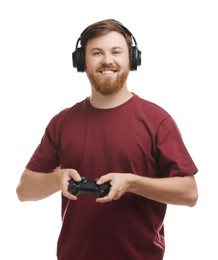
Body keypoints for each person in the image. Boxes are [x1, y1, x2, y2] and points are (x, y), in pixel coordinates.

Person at [16, 19, 198, 260]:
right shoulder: (62, 122)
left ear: (132, 59)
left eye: (116, 52)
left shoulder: (157, 120)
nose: (107, 60)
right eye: (96, 53)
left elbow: (189, 193)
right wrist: (56, 178)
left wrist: (132, 183)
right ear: (81, 61)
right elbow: (24, 190)